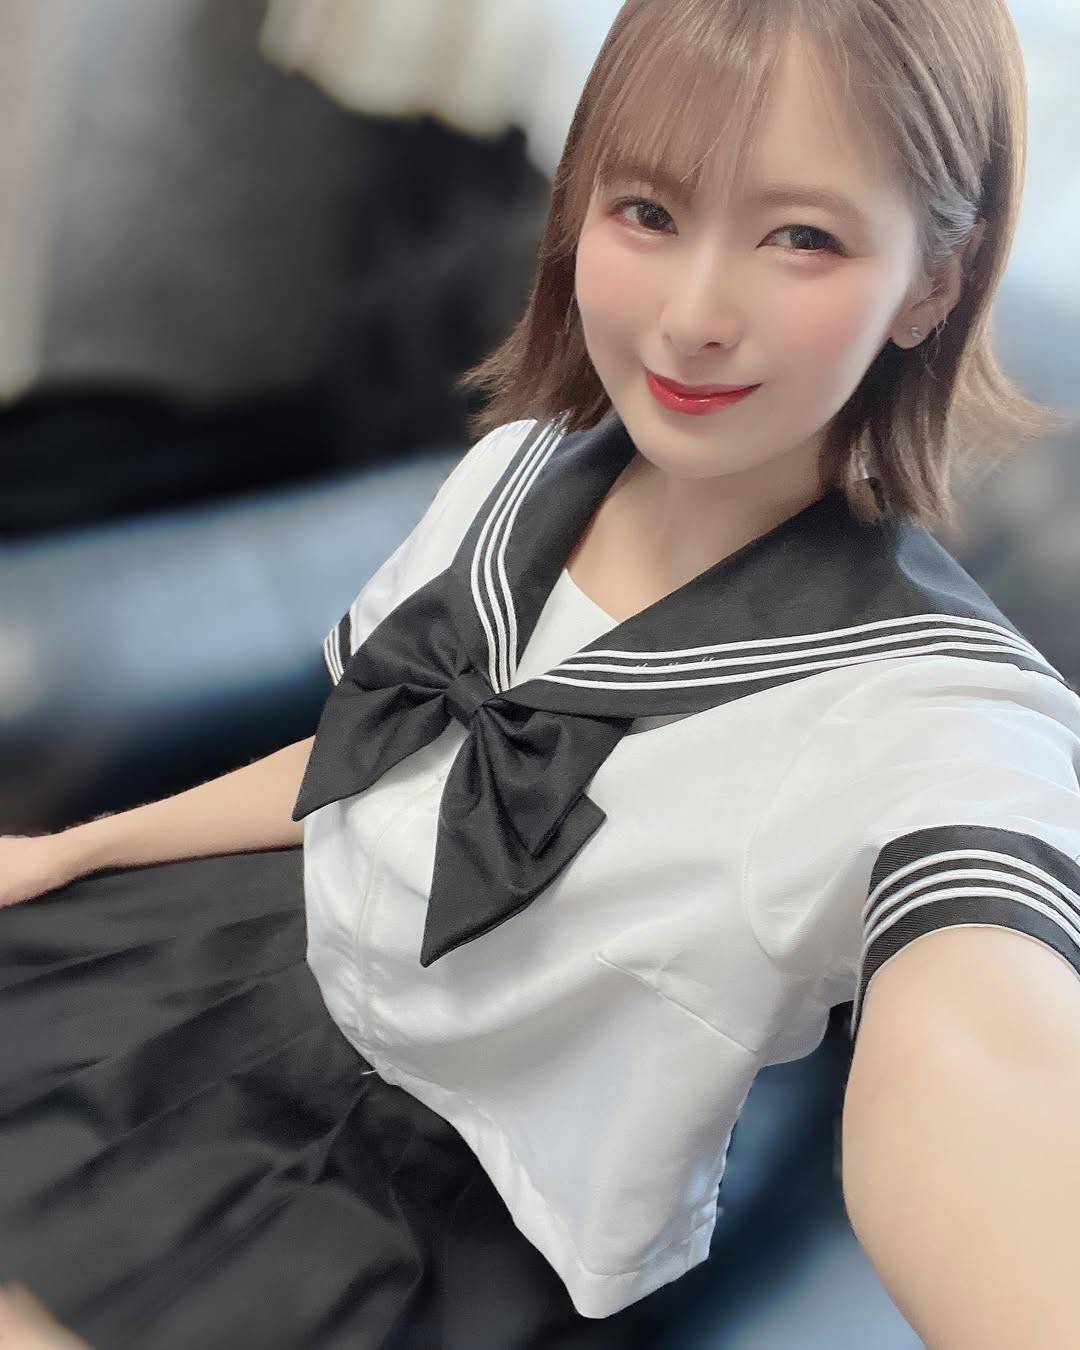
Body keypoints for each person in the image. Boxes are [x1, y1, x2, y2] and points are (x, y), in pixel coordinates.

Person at [3, 1, 1079, 1346]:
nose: (694, 317)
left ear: (934, 281)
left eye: (802, 236)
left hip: (428, 1219)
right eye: (648, 211)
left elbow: (986, 1049)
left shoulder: (934, 714)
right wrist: (79, 847)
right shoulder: (513, 473)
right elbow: (377, 756)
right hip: (236, 980)